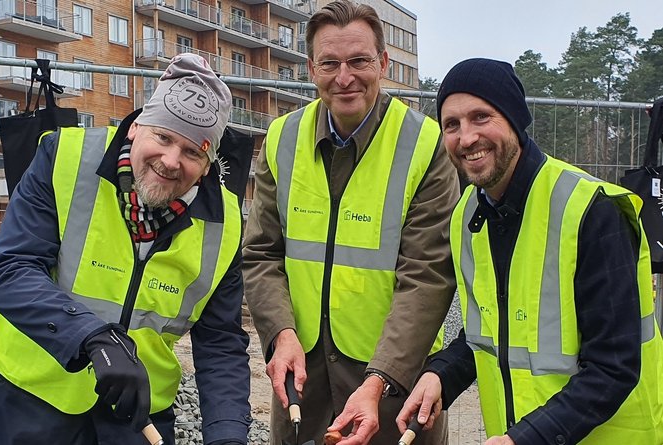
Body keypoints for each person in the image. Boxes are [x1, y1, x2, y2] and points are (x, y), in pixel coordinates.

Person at [0, 53, 253, 445]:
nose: (170, 161)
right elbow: (10, 269)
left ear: (209, 163)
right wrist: (90, 336)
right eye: (163, 137)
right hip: (28, 403)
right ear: (137, 127)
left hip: (135, 420)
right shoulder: (64, 159)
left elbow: (220, 341)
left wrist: (228, 434)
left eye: (192, 152)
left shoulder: (226, 222)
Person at [396, 58, 663, 444]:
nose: (465, 138)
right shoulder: (468, 214)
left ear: (515, 120)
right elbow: (488, 334)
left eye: (480, 117)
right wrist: (439, 375)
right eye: (451, 124)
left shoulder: (591, 210)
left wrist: (523, 439)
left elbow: (614, 367)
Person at [242, 1, 459, 444]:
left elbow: (428, 275)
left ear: (382, 62)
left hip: (394, 390)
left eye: (359, 60)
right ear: (310, 68)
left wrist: (381, 380)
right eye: (330, 63)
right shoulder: (282, 139)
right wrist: (280, 335)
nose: (345, 77)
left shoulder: (425, 145)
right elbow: (262, 253)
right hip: (303, 382)